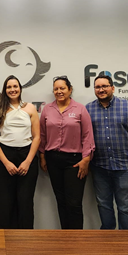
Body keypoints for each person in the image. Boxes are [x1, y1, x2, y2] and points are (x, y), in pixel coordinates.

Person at [85, 74, 128, 230]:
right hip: (99, 167)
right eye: (98, 87)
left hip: (125, 168)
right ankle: (107, 240)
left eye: (104, 86)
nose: (101, 89)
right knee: (103, 205)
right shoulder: (88, 109)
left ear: (112, 88)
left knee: (125, 208)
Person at [39, 76, 96, 229]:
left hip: (75, 161)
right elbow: (42, 134)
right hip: (53, 159)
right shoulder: (47, 109)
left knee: (74, 202)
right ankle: (65, 236)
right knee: (61, 201)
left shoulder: (80, 109)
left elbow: (87, 135)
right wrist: (42, 156)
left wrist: (86, 159)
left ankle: (77, 238)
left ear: (70, 90)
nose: (59, 91)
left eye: (62, 88)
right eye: (56, 89)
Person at [0, 75, 41, 229]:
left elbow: (37, 137)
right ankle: (5, 239)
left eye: (15, 86)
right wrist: (6, 163)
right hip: (4, 157)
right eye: (9, 87)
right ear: (5, 90)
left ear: (20, 88)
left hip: (27, 156)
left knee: (25, 202)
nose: (12, 90)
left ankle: (26, 240)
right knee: (4, 203)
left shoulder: (30, 108)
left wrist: (28, 161)